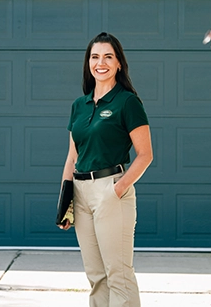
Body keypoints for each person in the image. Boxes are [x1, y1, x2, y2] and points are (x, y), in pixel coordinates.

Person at [59, 32, 153, 307]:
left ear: (119, 63)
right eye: (95, 57)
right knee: (96, 276)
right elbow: (72, 156)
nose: (101, 63)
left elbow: (145, 155)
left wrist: (117, 190)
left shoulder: (127, 102)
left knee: (118, 275)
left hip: (110, 189)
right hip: (80, 192)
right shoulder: (79, 105)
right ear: (88, 63)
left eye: (108, 57)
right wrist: (65, 202)